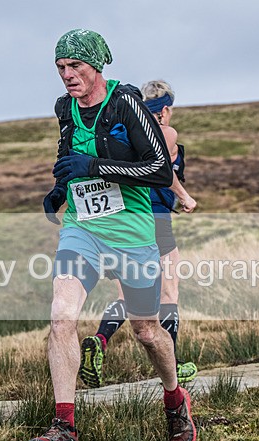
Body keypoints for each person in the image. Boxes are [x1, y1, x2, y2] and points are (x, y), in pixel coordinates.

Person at [25, 29, 197, 441]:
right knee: (62, 318)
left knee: (145, 330)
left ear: (97, 66)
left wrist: (96, 165)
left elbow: (158, 169)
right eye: (61, 68)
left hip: (133, 234)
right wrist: (61, 188)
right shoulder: (65, 108)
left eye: (76, 66)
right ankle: (64, 428)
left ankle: (175, 400)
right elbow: (69, 155)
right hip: (83, 230)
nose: (67, 75)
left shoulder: (126, 103)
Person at [79, 80, 199, 389]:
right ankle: (172, 363)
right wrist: (184, 196)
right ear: (167, 109)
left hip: (124, 223)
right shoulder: (166, 133)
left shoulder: (128, 131)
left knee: (125, 295)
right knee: (169, 292)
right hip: (155, 220)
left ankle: (100, 339)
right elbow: (166, 171)